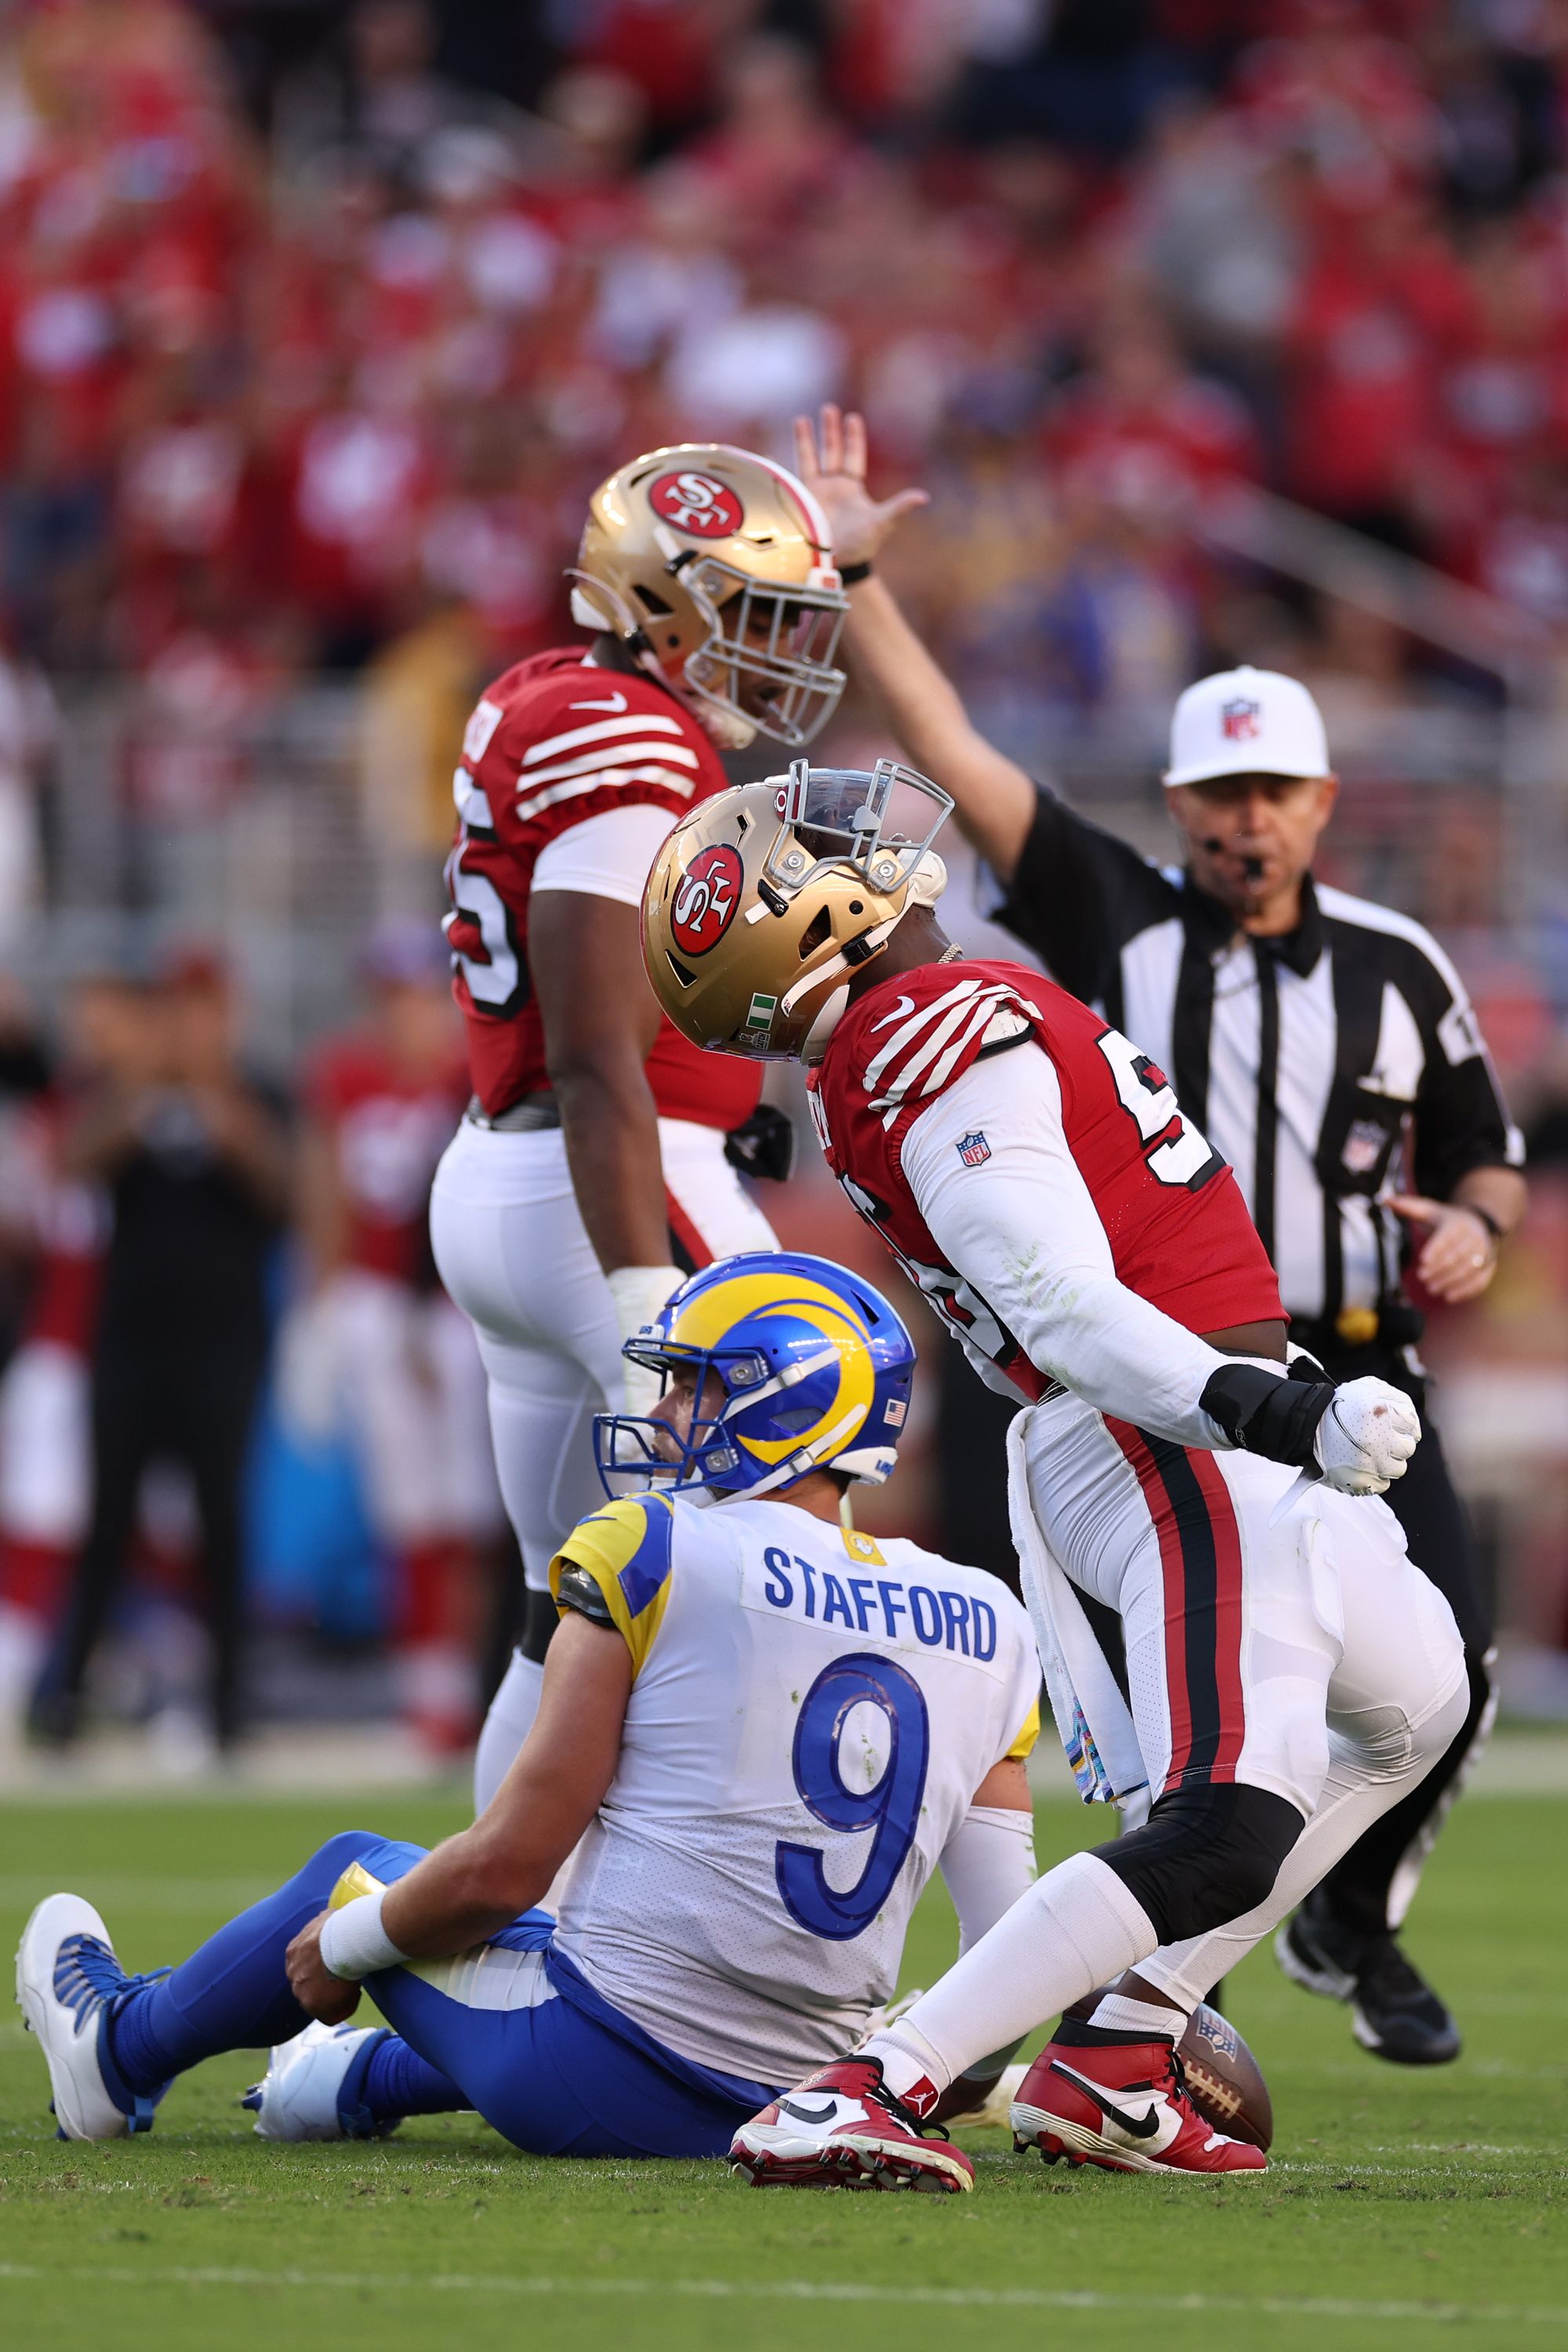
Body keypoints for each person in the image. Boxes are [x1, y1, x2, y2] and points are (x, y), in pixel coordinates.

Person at [785, 407, 1527, 2067]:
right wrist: (856, 578)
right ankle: (950, 2055)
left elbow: (1487, 1160)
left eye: (1271, 792)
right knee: (1207, 1769)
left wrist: (1471, 1229)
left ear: (1323, 801)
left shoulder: (1399, 965)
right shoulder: (1109, 922)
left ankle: (1267, 1958)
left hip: (1347, 1360)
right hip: (1172, 1391)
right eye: (1216, 793)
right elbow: (960, 764)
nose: (1242, 822)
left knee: (1422, 1688)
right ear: (1179, 801)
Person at [641, 762, 1468, 2187]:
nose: (871, 835)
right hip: (1164, 1428)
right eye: (826, 842)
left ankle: (1118, 2051)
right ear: (812, 917)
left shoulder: (910, 1030)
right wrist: (1273, 1412)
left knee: (1416, 1698)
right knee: (1227, 1822)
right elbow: (1062, 1306)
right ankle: (877, 2081)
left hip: (1172, 1418)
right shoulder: (927, 1032)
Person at [19, 1254, 1039, 2175]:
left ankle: (116, 2050)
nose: (669, 1409)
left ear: (790, 1408)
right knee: (557, 1946)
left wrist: (337, 1945)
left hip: (599, 2067)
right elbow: (1007, 1961)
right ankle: (347, 2084)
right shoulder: (991, 1617)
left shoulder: (652, 1545)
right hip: (805, 2097)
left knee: (359, 1876)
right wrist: (915, 2072)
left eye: (697, 1385)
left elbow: (505, 1870)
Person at [430, 441, 848, 1807]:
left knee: (568, 1622)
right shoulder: (628, 738)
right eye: (753, 610)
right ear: (663, 600)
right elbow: (599, 1052)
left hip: (513, 1177)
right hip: (605, 1183)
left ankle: (484, 1954)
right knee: (810, 1563)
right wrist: (642, 1313)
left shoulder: (549, 695)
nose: (778, 649)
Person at [28, 954, 290, 1755]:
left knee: (222, 1522)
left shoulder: (259, 1093)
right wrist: (142, 1090)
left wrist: (217, 1104)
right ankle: (66, 1696)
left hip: (225, 1345)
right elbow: (72, 1166)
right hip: (131, 1342)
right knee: (106, 1519)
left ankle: (229, 1709)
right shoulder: (122, 1094)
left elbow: (287, 1196)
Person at [289, 920, 501, 1754]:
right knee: (408, 1507)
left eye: (418, 994)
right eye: (391, 997)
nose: (404, 1014)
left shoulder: (470, 1072)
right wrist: (317, 1303)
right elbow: (325, 1192)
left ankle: (475, 1686)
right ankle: (431, 1691)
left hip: (464, 1304)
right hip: (376, 1301)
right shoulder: (346, 1074)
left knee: (475, 1508)